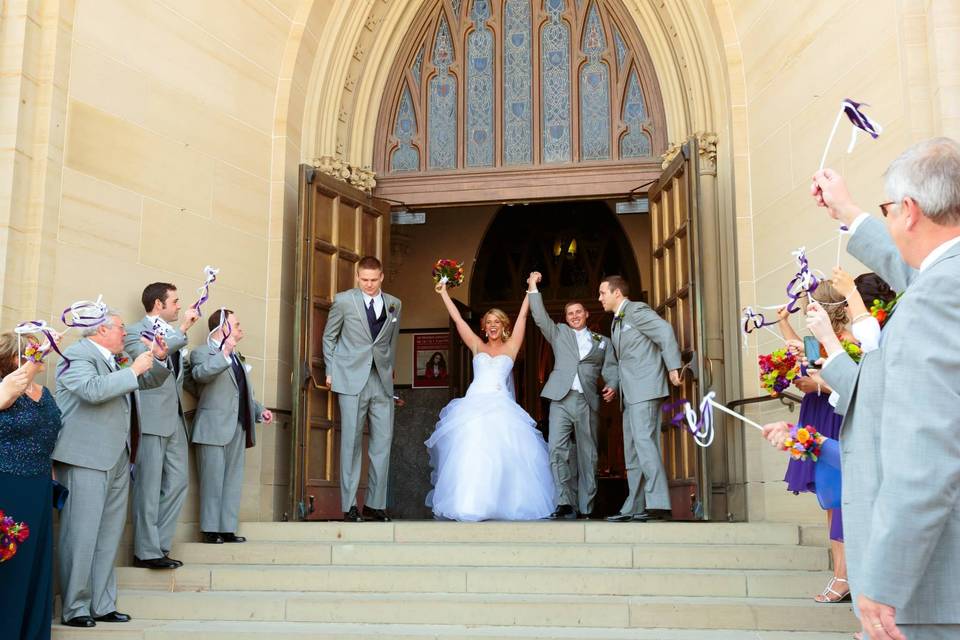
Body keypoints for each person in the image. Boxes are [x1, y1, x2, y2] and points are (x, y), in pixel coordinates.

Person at [807, 138, 960, 640]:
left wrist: (883, 580)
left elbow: (926, 457)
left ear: (910, 211)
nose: (888, 220)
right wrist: (848, 213)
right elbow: (918, 272)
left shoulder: (936, 298)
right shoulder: (942, 282)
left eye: (887, 210)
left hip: (928, 588)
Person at [53, 309, 171, 628]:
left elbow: (146, 380)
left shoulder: (114, 358)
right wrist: (132, 369)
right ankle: (76, 606)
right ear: (100, 330)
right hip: (86, 457)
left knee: (108, 535)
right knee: (81, 534)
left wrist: (158, 359)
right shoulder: (76, 355)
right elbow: (92, 390)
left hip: (119, 456)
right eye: (120, 328)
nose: (125, 333)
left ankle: (103, 604)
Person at [426, 280, 553, 521]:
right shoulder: (476, 345)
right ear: (484, 327)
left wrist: (530, 287)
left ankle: (502, 503)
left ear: (503, 326)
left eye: (497, 322)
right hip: (473, 406)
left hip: (501, 405)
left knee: (504, 455)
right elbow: (459, 321)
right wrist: (444, 294)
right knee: (473, 453)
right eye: (489, 322)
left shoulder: (512, 346)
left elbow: (523, 318)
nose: (493, 326)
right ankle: (471, 503)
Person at [776, 280, 851, 603]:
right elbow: (802, 350)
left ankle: (844, 577)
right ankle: (840, 572)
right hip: (816, 412)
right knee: (829, 497)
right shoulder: (819, 340)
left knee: (839, 499)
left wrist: (817, 386)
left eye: (811, 306)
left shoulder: (848, 341)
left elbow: (850, 384)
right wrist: (783, 323)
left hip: (834, 416)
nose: (807, 311)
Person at [527, 271, 618, 519]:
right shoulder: (558, 333)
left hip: (588, 402)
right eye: (570, 313)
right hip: (561, 400)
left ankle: (586, 506)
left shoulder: (603, 341)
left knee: (588, 454)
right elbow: (539, 317)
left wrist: (612, 384)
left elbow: (611, 368)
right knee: (557, 449)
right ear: (565, 319)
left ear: (587, 314)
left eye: (579, 312)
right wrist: (533, 287)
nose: (575, 316)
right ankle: (564, 502)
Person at [124, 282, 201, 569]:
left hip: (176, 418)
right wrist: (181, 330)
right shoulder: (133, 332)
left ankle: (160, 544)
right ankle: (145, 551)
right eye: (175, 301)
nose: (179, 306)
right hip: (151, 418)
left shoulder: (174, 336)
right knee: (148, 486)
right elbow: (148, 363)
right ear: (159, 304)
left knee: (178, 482)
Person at [321, 256, 402, 522]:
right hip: (350, 378)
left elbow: (391, 342)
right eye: (364, 280)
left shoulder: (394, 304)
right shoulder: (344, 301)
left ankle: (375, 504)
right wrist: (330, 371)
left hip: (381, 381)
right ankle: (349, 506)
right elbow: (329, 337)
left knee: (382, 443)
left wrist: (391, 377)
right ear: (358, 278)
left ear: (381, 278)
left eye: (373, 280)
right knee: (351, 443)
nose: (368, 284)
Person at [598, 275, 682, 522]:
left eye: (603, 293)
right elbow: (618, 361)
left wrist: (673, 366)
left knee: (645, 444)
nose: (599, 298)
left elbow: (664, 331)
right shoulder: (615, 323)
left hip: (646, 389)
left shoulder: (635, 310)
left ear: (617, 293)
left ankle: (658, 503)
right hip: (629, 393)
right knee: (633, 451)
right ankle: (634, 506)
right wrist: (614, 385)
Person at [188, 309, 273, 544]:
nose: (240, 328)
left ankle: (227, 528)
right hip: (212, 427)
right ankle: (210, 529)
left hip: (238, 425)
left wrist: (259, 410)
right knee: (212, 480)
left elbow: (242, 392)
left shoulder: (238, 357)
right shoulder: (202, 352)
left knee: (233, 480)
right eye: (236, 324)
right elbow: (200, 375)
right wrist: (223, 354)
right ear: (223, 328)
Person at [0, 333, 62, 640]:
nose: (40, 355)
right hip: (8, 486)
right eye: (32, 351)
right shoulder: (7, 388)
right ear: (15, 359)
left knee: (37, 564)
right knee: (12, 564)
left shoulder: (44, 391)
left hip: (38, 487)